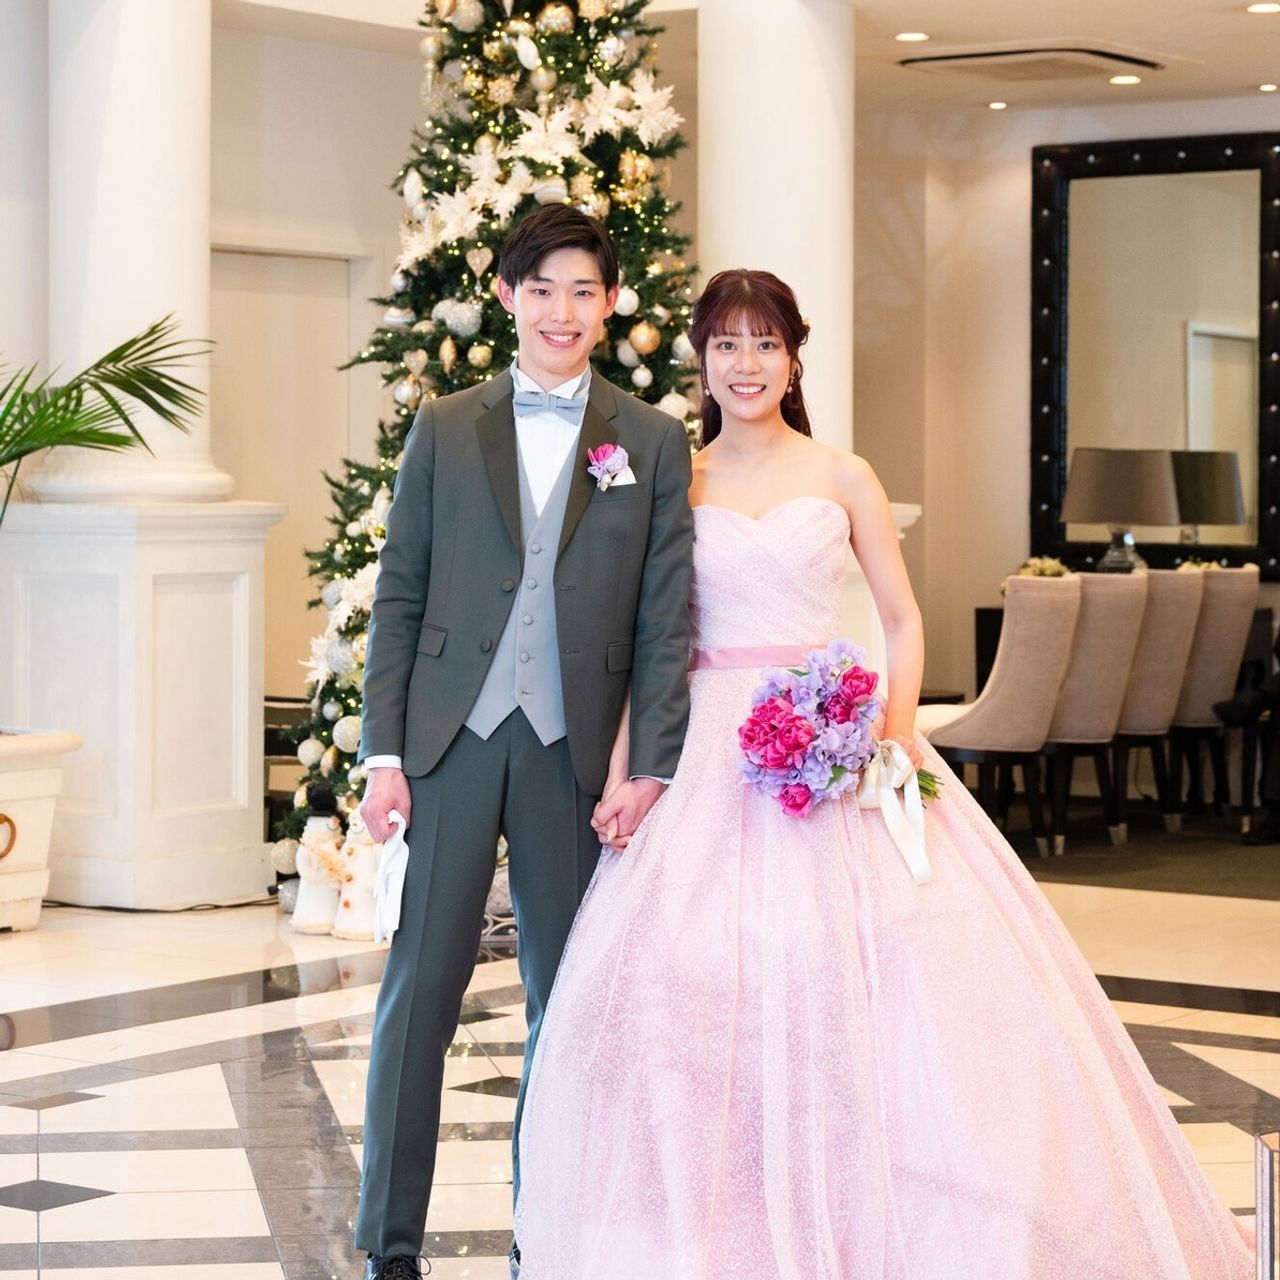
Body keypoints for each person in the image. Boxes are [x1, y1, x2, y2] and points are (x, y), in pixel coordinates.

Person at [512, 269, 1256, 1278]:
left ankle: (881, 1201)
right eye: (726, 345)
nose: (745, 365)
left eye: (765, 345)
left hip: (835, 737)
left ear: (793, 360)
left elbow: (901, 621)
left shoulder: (843, 473)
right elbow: (653, 643)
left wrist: (890, 733)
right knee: (691, 973)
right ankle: (720, 1215)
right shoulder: (674, 477)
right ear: (700, 360)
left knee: (877, 971)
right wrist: (624, 769)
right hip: (705, 744)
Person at [354, 204, 695, 1280]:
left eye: (583, 291)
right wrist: (382, 753)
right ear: (507, 296)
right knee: (420, 994)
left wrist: (650, 767)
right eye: (542, 289)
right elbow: (399, 594)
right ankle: (389, 1243)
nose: (562, 310)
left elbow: (666, 620)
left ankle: (541, 1229)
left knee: (569, 1002)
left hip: (572, 755)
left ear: (610, 303)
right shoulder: (446, 424)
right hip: (449, 744)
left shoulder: (651, 440)